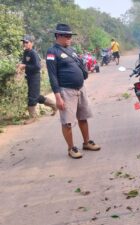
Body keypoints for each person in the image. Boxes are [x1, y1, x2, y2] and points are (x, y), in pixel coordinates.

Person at [46, 23, 101, 159]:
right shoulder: (52, 52)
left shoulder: (71, 50)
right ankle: (71, 148)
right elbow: (52, 76)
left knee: (83, 117)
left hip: (80, 88)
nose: (70, 38)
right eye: (67, 36)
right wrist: (58, 97)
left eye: (71, 36)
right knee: (67, 122)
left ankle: (87, 142)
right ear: (58, 35)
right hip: (66, 91)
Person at [17, 35, 57, 124]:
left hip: (35, 77)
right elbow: (24, 62)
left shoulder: (33, 53)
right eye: (24, 42)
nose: (25, 44)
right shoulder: (25, 52)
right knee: (36, 96)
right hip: (29, 77)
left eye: (27, 42)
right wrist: (20, 65)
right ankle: (54, 105)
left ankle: (33, 117)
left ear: (32, 43)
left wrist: (25, 66)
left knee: (32, 97)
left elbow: (37, 67)